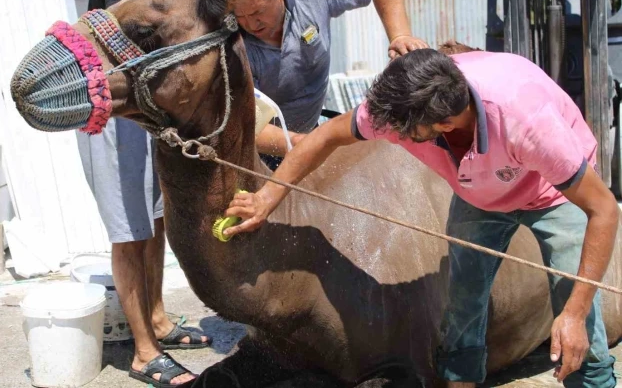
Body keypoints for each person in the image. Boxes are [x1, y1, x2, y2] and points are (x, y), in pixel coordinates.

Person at [222, 46, 619, 387]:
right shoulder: (403, 106)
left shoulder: (529, 125)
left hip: (548, 190)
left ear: (445, 124)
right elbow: (326, 136)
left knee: (574, 296)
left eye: (404, 134)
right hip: (480, 190)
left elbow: (602, 210)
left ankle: (593, 379)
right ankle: (461, 378)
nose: (391, 135)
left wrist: (573, 312)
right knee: (464, 293)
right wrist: (269, 195)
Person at [78, 0, 213, 386]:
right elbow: (124, 45)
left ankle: (156, 319)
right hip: (112, 112)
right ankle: (142, 352)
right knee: (129, 231)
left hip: (142, 112)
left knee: (154, 219)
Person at [213, 0, 428, 165]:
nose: (251, 24)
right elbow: (244, 124)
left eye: (258, 11)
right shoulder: (225, 43)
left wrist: (400, 35)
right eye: (240, 16)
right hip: (250, 155)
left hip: (309, 133)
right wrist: (302, 143)